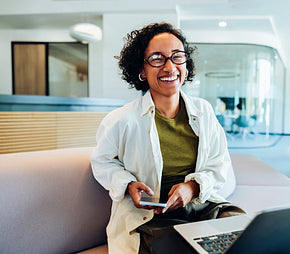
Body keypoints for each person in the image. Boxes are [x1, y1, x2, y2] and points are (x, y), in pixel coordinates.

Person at [90, 22, 245, 254]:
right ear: (141, 70)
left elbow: (219, 164)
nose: (170, 66)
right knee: (180, 247)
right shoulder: (121, 119)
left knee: (248, 233)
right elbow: (102, 162)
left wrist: (192, 188)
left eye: (177, 57)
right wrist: (128, 184)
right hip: (153, 217)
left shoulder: (203, 111)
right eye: (157, 58)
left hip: (203, 207)